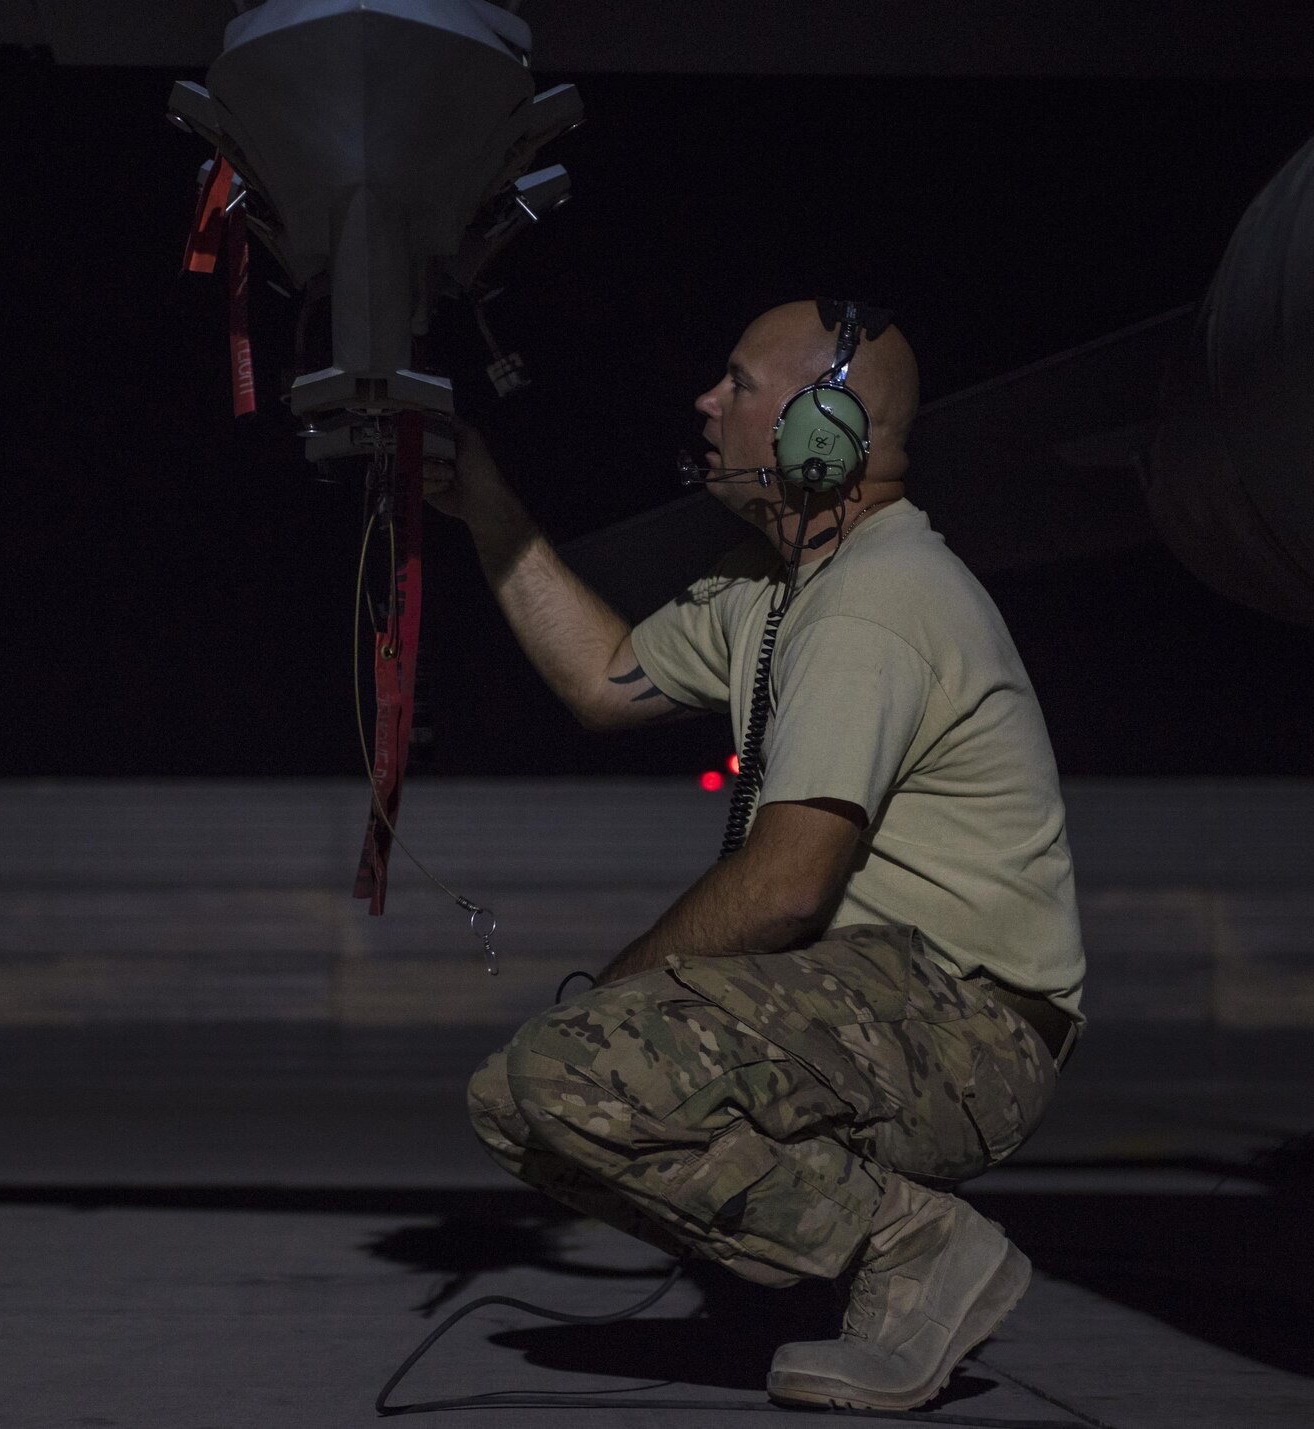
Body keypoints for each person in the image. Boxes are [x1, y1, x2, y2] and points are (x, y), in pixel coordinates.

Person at [426, 299, 1086, 1413]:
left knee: (574, 1068)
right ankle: (886, 1268)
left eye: (735, 384)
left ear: (820, 435)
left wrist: (621, 993)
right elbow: (603, 677)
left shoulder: (870, 605)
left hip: (966, 1024)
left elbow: (784, 887)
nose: (703, 402)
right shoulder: (770, 590)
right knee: (515, 1101)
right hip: (879, 1004)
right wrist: (481, 504)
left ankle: (910, 1248)